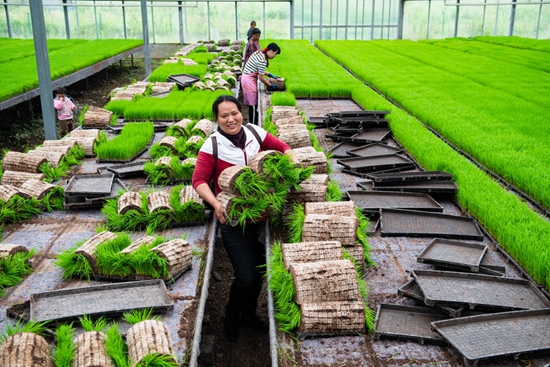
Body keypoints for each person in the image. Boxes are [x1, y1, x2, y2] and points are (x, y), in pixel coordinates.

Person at [192, 95, 296, 342]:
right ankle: (232, 315)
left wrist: (292, 161)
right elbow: (198, 181)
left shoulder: (254, 133)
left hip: (261, 217)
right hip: (233, 222)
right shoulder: (212, 146)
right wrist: (216, 204)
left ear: (242, 113)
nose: (231, 119)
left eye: (234, 113)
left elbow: (283, 147)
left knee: (259, 269)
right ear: (216, 119)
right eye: (224, 115)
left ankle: (249, 315)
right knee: (246, 276)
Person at [241, 42, 281, 125]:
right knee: (253, 106)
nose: (274, 56)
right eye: (275, 54)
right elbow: (261, 78)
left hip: (247, 78)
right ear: (270, 51)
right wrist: (270, 85)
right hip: (248, 81)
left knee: (253, 106)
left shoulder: (259, 53)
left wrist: (269, 74)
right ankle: (253, 125)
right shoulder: (262, 60)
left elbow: (259, 69)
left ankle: (252, 124)